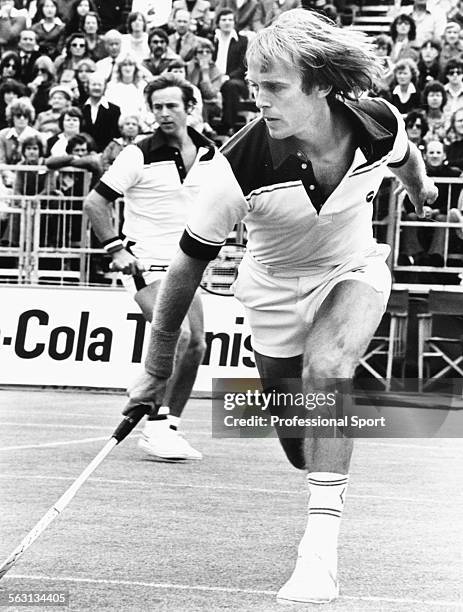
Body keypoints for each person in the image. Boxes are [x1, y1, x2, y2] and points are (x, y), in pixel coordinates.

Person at [124, 9, 438, 604]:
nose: (257, 99)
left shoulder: (376, 124)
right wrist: (157, 363)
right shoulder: (235, 169)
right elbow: (185, 267)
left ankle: (318, 554)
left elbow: (407, 157)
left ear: (320, 84)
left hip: (351, 269)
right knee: (299, 443)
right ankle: (318, 457)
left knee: (329, 368)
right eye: (254, 84)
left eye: (274, 86)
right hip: (270, 292)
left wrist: (419, 190)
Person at [83, 74, 209, 461]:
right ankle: (153, 427)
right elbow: (94, 203)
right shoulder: (137, 153)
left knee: (197, 346)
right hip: (144, 264)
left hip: (186, 265)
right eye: (157, 107)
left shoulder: (211, 153)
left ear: (191, 107)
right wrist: (115, 249)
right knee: (179, 335)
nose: (164, 113)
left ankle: (168, 425)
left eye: (172, 105)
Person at [81, 72, 121, 152]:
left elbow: (116, 135)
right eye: (93, 84)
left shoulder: (114, 110)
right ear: (87, 87)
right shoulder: (81, 109)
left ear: (105, 87)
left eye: (100, 85)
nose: (96, 87)